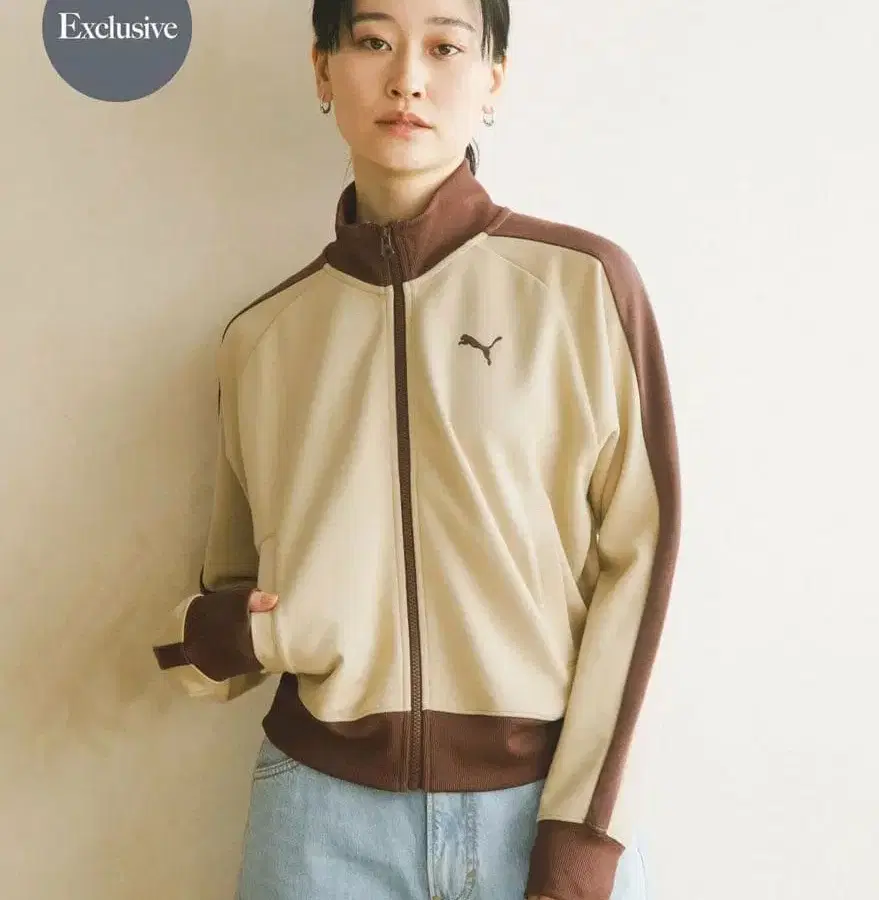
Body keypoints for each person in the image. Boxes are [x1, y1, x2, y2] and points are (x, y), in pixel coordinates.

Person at [151, 1, 681, 898]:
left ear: (492, 80)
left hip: (538, 810)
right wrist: (214, 635)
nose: (407, 79)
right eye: (372, 41)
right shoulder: (261, 338)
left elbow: (645, 563)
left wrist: (583, 838)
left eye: (444, 46)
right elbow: (228, 585)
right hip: (318, 825)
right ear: (323, 70)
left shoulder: (583, 289)